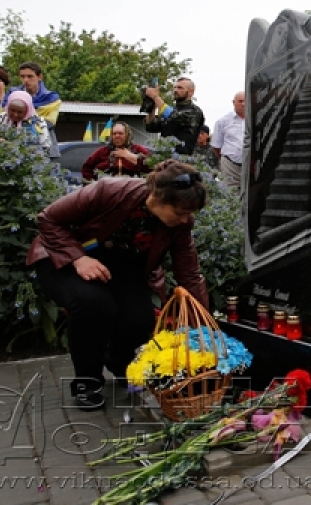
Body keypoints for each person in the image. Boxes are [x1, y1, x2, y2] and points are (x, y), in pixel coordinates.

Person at [27, 160, 209, 410]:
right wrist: (78, 258)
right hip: (63, 259)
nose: (185, 220)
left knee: (139, 318)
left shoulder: (180, 225)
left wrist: (202, 325)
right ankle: (87, 383)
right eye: (179, 213)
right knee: (93, 304)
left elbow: (189, 273)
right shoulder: (109, 191)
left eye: (189, 214)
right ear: (157, 198)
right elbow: (48, 219)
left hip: (118, 270)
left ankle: (117, 361)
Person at [9, 62, 63, 158]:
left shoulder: (51, 98)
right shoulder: (12, 95)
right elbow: (6, 118)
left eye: (30, 76)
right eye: (22, 76)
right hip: (14, 147)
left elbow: (49, 123)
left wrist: (23, 119)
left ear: (40, 77)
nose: (25, 80)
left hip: (44, 147)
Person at [144, 77, 205, 155]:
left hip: (182, 160)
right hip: (163, 157)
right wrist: (151, 108)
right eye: (175, 87)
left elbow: (174, 116)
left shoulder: (195, 111)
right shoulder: (172, 109)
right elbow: (151, 127)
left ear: (191, 92)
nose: (175, 90)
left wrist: (155, 97)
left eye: (180, 88)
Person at [81, 122, 151, 181]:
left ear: (127, 135)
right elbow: (87, 168)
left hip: (131, 191)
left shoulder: (137, 150)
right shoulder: (103, 151)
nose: (117, 136)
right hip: (107, 191)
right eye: (114, 133)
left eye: (120, 133)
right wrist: (92, 186)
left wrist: (131, 157)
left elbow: (152, 166)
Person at [0, 90, 52, 155]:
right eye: (12, 110)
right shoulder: (0, 118)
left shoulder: (38, 122)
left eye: (20, 112)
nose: (15, 114)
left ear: (27, 110)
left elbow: (46, 148)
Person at [211, 92, 245, 190]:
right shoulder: (223, 121)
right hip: (230, 164)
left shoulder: (256, 119)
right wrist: (225, 159)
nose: (243, 104)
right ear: (234, 102)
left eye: (245, 101)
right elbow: (216, 146)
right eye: (240, 101)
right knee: (230, 192)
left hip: (250, 165)